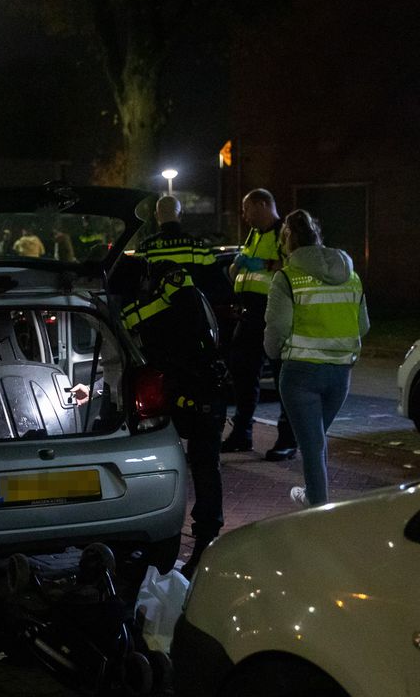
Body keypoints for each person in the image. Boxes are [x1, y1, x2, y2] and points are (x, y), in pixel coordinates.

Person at [115, 255, 228, 574]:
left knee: (204, 467)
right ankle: (169, 538)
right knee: (190, 466)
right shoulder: (158, 293)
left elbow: (138, 324)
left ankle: (204, 544)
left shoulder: (170, 285)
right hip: (181, 389)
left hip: (197, 389)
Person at [263, 210, 368, 507]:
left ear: (288, 240)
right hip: (341, 374)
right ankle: (314, 497)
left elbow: (278, 327)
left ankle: (317, 506)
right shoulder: (351, 276)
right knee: (317, 439)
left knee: (311, 445)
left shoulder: (287, 277)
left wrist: (272, 352)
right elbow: (364, 325)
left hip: (301, 374)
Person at [223, 189, 297, 461]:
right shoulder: (254, 234)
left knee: (282, 380)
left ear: (263, 204)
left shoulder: (284, 232)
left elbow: (292, 265)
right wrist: (236, 269)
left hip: (274, 312)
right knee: (242, 373)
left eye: (247, 209)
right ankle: (242, 433)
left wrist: (262, 263)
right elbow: (244, 270)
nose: (244, 216)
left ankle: (288, 439)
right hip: (250, 314)